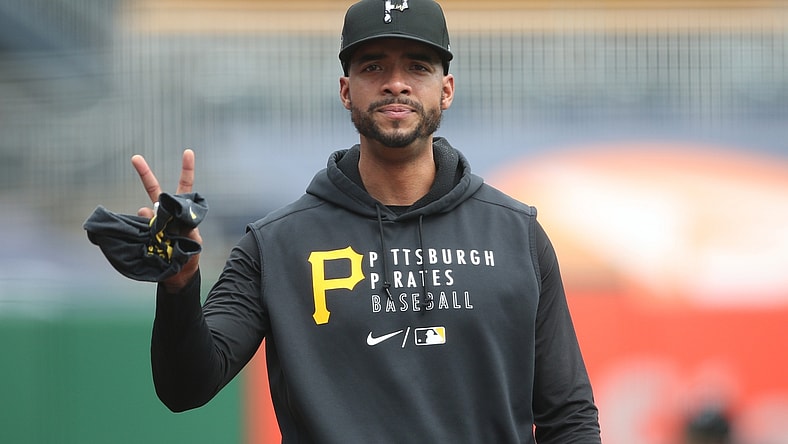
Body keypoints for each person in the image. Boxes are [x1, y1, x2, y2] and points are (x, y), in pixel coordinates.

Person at [130, 0, 601, 442]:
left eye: (417, 66)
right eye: (373, 66)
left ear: (447, 89)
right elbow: (184, 388)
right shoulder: (274, 245)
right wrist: (180, 285)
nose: (395, 83)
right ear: (345, 90)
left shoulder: (516, 234)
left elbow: (568, 415)